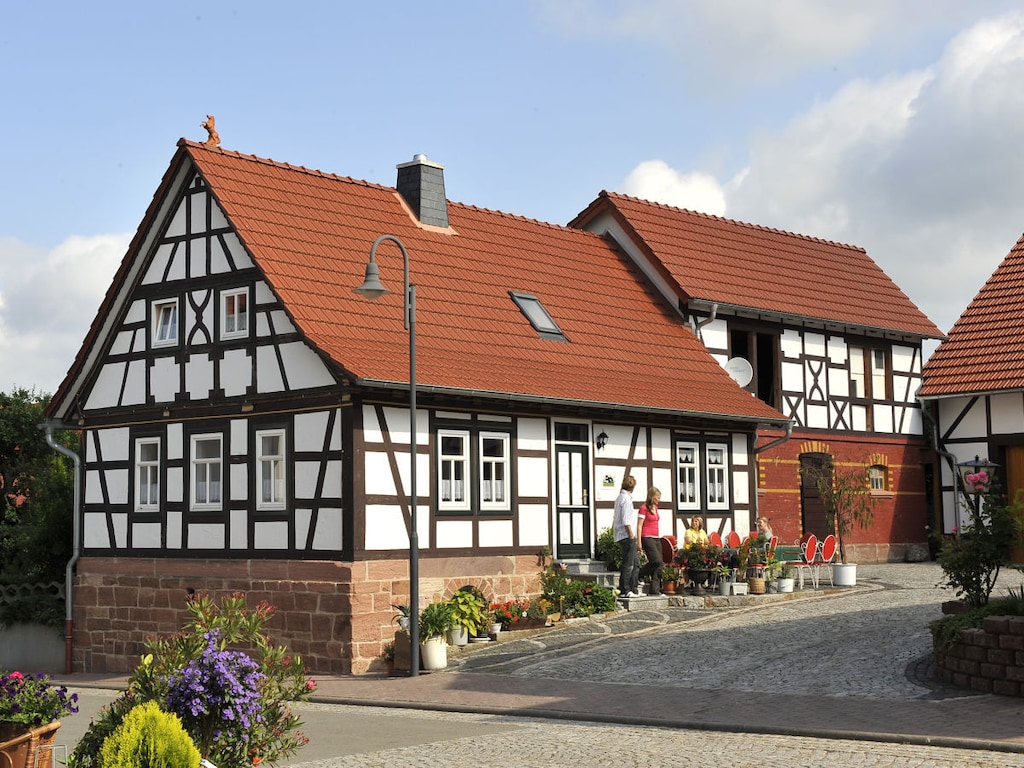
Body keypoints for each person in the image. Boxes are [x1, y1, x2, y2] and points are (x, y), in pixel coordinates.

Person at [612, 475, 640, 598]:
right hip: (626, 535)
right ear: (633, 487)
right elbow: (626, 520)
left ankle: (634, 589)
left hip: (621, 534)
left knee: (636, 562)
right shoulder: (626, 500)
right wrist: (631, 534)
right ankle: (625, 589)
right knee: (629, 563)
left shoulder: (619, 498)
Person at [637, 487, 664, 595]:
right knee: (656, 561)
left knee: (660, 564)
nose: (659, 500)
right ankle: (639, 573)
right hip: (646, 537)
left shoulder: (655, 508)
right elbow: (639, 526)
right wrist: (639, 542)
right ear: (652, 497)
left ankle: (654, 590)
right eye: (657, 498)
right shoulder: (644, 508)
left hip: (656, 537)